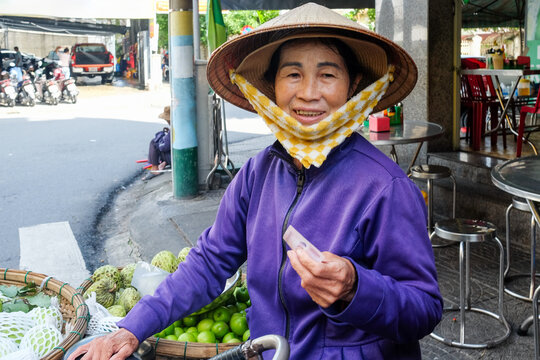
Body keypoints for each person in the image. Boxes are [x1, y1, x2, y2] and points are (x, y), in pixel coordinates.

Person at [68, 3, 442, 360]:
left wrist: (355, 288)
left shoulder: (385, 187)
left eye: (328, 74)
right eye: (293, 74)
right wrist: (132, 328)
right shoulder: (257, 174)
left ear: (353, 84)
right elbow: (209, 263)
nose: (309, 92)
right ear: (271, 88)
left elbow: (424, 308)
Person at [142, 106, 171, 181]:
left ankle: (155, 169)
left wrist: (161, 140)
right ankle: (164, 163)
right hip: (174, 156)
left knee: (154, 143)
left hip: (174, 158)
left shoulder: (173, 129)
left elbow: (163, 147)